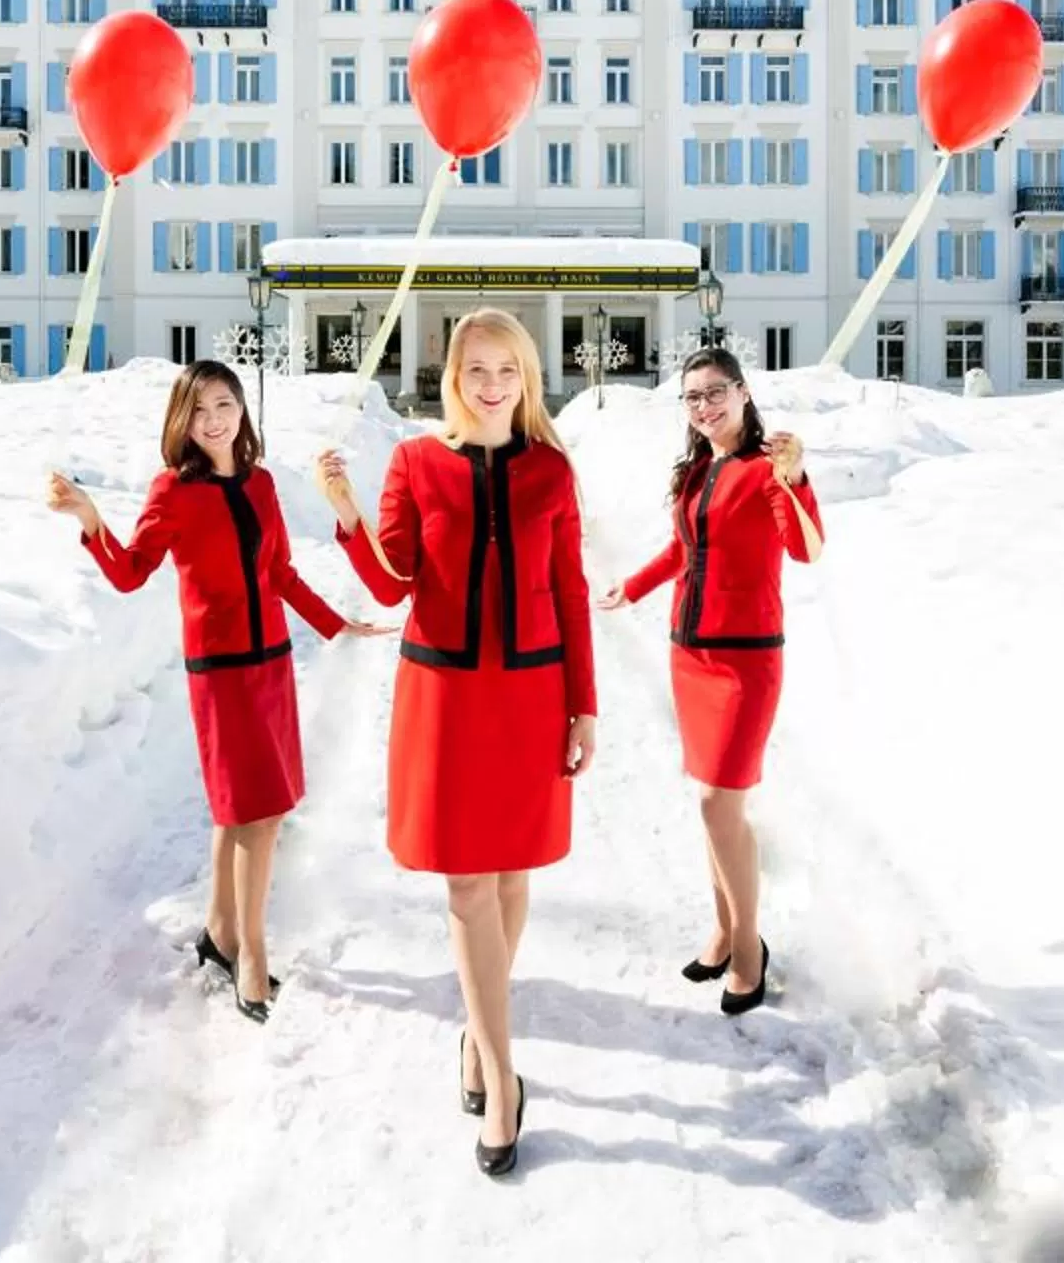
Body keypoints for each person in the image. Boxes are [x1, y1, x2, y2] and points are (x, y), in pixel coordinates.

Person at [319, 309, 594, 1178]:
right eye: (475, 368)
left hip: (530, 693)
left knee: (513, 875)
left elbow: (571, 589)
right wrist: (348, 515)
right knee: (468, 883)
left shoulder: (552, 469)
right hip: (443, 695)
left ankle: (479, 1039)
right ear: (453, 375)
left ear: (526, 375)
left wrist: (583, 705)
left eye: (505, 368)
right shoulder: (415, 462)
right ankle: (504, 1081)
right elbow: (394, 583)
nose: (490, 383)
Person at [49, 361, 389, 1025]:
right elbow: (129, 573)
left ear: (242, 412)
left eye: (225, 404)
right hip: (222, 674)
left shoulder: (261, 485)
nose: (214, 419)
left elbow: (282, 573)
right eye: (200, 408)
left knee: (248, 812)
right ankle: (254, 955)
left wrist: (335, 622)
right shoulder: (173, 493)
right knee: (257, 815)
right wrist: (90, 518)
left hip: (272, 666)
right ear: (182, 420)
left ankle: (220, 934)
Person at [594, 345, 821, 1018]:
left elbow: (807, 547)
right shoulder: (698, 472)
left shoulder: (764, 470)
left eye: (715, 392)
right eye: (692, 397)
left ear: (743, 393)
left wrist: (797, 477)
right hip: (689, 656)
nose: (704, 407)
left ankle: (750, 949)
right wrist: (631, 588)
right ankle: (723, 931)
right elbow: (682, 552)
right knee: (714, 806)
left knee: (718, 806)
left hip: (747, 661)